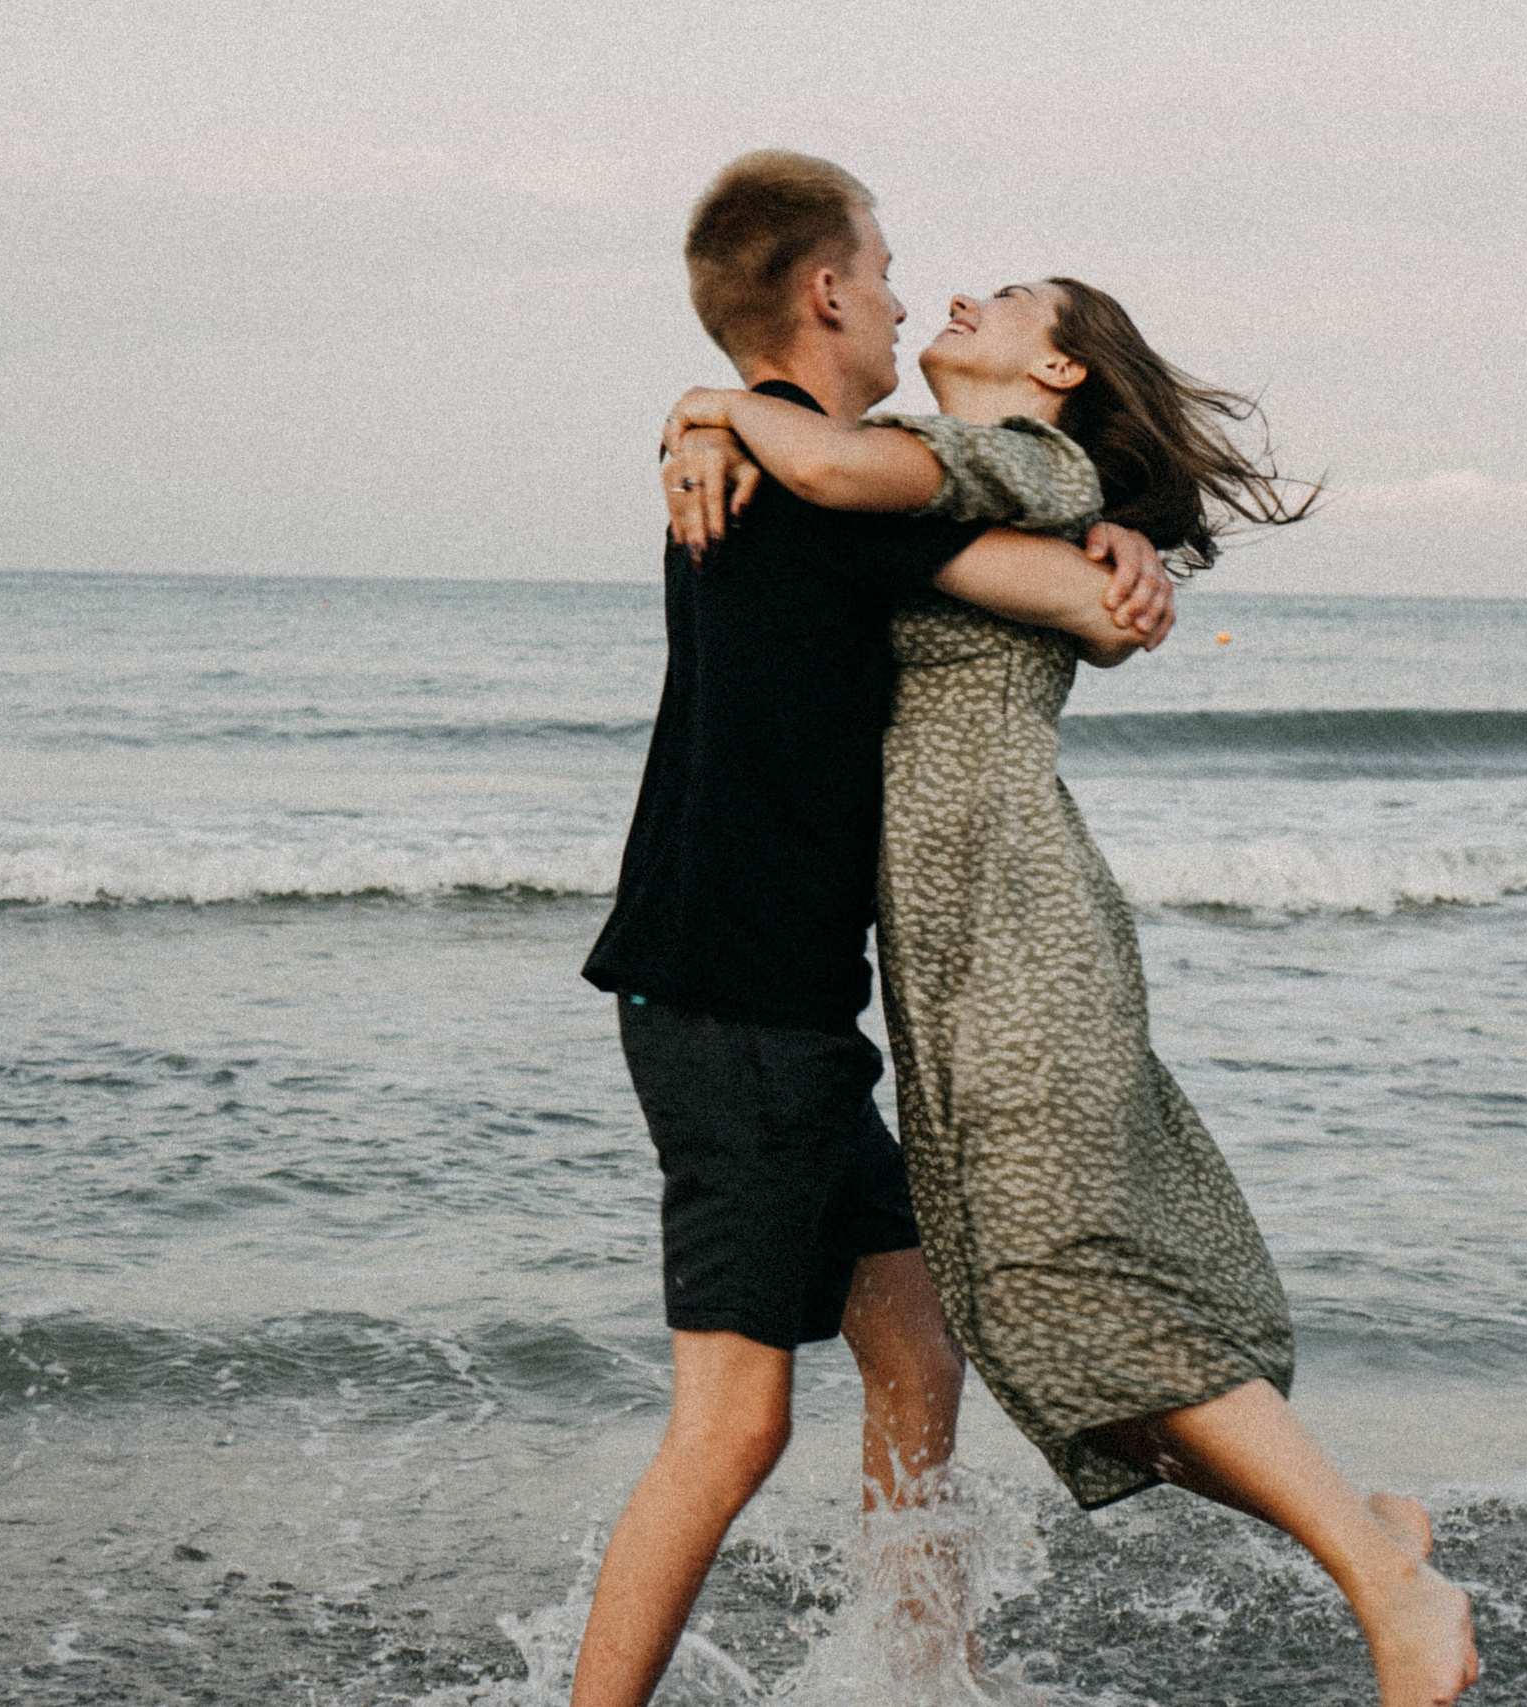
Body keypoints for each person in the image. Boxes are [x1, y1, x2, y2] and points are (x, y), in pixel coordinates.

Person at [658, 278, 1483, 1707]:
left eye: (1009, 298)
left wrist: (713, 407)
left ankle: (1387, 1588)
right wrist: (707, 422)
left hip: (1021, 940)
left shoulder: (1033, 467)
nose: (960, 296)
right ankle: (1362, 1534)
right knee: (1037, 1333)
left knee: (1070, 1284)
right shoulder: (962, 472)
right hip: (953, 957)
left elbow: (872, 490)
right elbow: (848, 480)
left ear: (1056, 366)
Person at [572, 151, 1180, 1707]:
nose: (913, 294)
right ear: (829, 292)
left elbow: (996, 550)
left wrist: (698, 409)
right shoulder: (814, 481)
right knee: (734, 1423)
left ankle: (923, 1670)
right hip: (734, 1013)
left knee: (913, 1339)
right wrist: (1119, 553)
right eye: (891, 267)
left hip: (773, 1012)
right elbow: (1074, 604)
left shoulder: (785, 461)